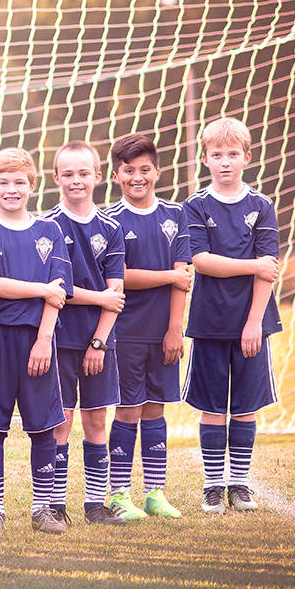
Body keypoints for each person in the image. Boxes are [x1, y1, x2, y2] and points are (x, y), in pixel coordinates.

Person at [0, 147, 72, 536]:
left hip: (37, 339)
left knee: (43, 426)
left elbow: (59, 293)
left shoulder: (50, 231)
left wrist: (45, 339)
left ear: (32, 186)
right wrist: (40, 288)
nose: (12, 190)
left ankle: (43, 508)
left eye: (20, 182)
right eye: (4, 183)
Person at [182, 117, 281, 514]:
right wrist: (252, 265)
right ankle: (212, 484)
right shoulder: (195, 206)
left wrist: (255, 320)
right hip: (209, 321)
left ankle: (239, 484)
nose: (225, 162)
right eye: (217, 155)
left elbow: (269, 267)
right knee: (211, 405)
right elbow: (202, 262)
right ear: (204, 159)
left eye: (232, 154)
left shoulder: (261, 205)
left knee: (244, 405)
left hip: (252, 322)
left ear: (246, 158)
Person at [105, 133, 192, 520]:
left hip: (163, 334)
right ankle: (120, 494)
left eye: (144, 170)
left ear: (157, 171)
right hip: (124, 332)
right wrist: (169, 277)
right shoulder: (109, 220)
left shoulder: (175, 215)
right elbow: (120, 276)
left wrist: (175, 330)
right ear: (116, 175)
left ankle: (155, 493)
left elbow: (183, 277)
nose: (136, 177)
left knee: (156, 409)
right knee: (127, 410)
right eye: (128, 171)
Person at [42, 142, 128, 527]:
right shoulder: (46, 227)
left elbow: (117, 295)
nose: (76, 180)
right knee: (60, 421)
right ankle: (55, 503)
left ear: (97, 176)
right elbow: (57, 288)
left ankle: (95, 504)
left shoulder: (111, 228)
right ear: (55, 178)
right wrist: (99, 298)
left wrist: (99, 342)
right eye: (68, 174)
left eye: (84, 173)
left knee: (96, 421)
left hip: (98, 342)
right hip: (58, 338)